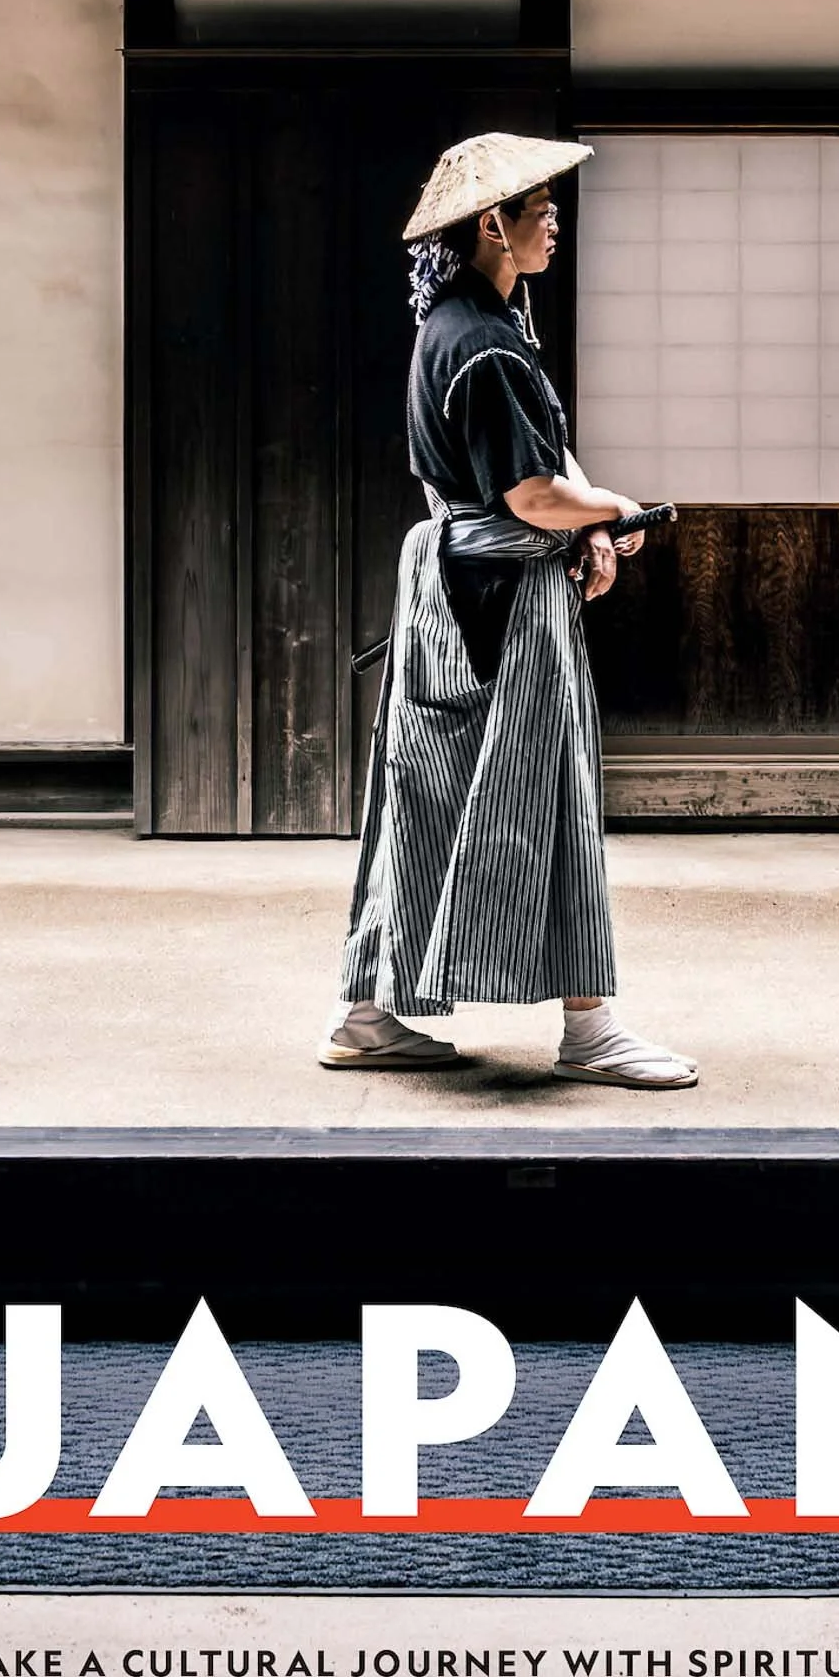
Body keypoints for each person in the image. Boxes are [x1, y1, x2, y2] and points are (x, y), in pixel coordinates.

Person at [321, 132, 699, 1089]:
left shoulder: (475, 320)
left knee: (424, 793)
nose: (555, 219)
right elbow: (531, 496)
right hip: (499, 604)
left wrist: (591, 525)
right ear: (493, 223)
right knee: (548, 797)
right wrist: (613, 510)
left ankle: (369, 1013)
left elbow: (540, 476)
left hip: (456, 594)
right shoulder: (482, 344)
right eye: (542, 207)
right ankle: (589, 1025)